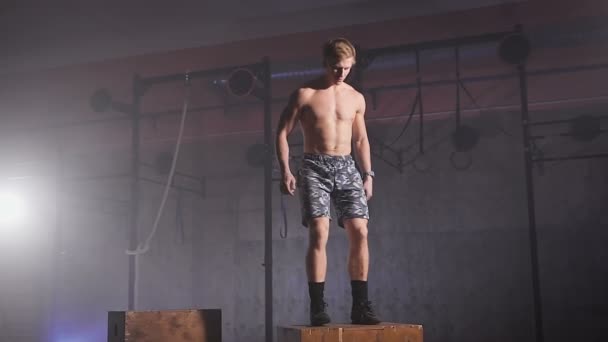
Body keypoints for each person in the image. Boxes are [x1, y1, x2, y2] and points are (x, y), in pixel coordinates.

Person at [275, 38, 380, 326]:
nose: (341, 73)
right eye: (336, 67)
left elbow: (360, 139)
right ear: (325, 63)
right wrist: (286, 169)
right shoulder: (305, 94)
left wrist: (368, 174)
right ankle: (318, 307)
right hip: (314, 166)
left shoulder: (356, 98)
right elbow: (282, 133)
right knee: (319, 231)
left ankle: (360, 306)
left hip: (346, 166)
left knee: (360, 230)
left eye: (346, 68)